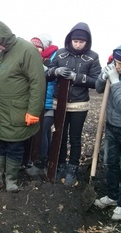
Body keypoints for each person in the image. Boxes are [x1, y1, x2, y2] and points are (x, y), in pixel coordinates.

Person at [0, 20, 46, 192]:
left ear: (5, 38)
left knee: (14, 145)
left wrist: (33, 111)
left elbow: (37, 82)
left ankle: (11, 180)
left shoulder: (27, 50)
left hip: (17, 110)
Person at [46, 22, 101, 186]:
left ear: (87, 42)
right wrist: (55, 71)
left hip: (79, 104)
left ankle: (72, 168)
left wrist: (77, 77)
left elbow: (96, 81)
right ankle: (60, 164)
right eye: (75, 41)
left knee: (75, 138)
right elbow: (47, 73)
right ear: (70, 40)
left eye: (81, 42)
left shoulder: (93, 57)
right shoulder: (61, 54)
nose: (77, 44)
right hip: (59, 103)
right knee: (60, 135)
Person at [25, 34, 59, 177]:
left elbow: (51, 78)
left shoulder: (54, 58)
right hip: (35, 101)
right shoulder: (31, 58)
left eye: (38, 46)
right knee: (40, 132)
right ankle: (38, 161)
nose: (35, 49)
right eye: (33, 46)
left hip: (49, 101)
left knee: (43, 131)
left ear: (43, 47)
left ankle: (41, 163)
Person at [94, 46, 121, 220]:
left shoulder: (117, 77)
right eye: (117, 63)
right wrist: (103, 77)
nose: (118, 67)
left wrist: (116, 81)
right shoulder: (113, 69)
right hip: (112, 126)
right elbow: (98, 89)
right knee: (110, 163)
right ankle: (112, 196)